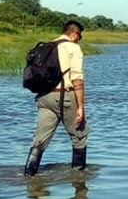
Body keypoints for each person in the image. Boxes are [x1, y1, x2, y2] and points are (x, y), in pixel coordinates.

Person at [24, 20, 90, 176]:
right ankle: (79, 178)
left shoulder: (48, 46)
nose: (79, 39)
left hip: (44, 97)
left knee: (40, 139)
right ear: (73, 33)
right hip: (65, 96)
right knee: (80, 135)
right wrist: (81, 107)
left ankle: (28, 176)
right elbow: (77, 79)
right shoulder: (73, 48)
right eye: (79, 36)